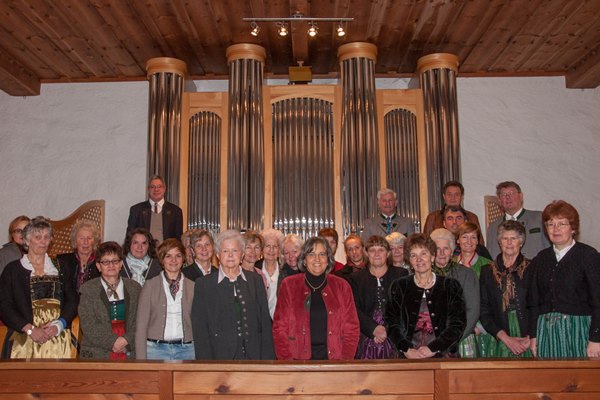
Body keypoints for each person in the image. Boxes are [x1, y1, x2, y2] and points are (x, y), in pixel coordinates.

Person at [529, 200, 600, 358]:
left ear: (573, 228)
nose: (556, 229)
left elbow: (598, 301)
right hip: (545, 331)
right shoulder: (541, 259)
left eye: (562, 223)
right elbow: (534, 302)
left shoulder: (588, 256)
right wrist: (533, 336)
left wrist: (596, 338)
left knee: (579, 380)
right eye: (550, 224)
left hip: (578, 330)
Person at [0, 217, 78, 358]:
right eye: (38, 237)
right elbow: (4, 305)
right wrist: (29, 329)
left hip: (57, 338)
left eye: (47, 237)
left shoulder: (60, 267)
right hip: (23, 339)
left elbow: (73, 301)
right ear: (27, 240)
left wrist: (58, 325)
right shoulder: (12, 270)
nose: (43, 241)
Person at [273, 236, 359, 360]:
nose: (317, 259)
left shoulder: (342, 286)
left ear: (328, 259)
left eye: (322, 254)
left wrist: (344, 362)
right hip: (297, 363)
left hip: (335, 362)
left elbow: (352, 328)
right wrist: (288, 362)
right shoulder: (289, 285)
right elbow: (279, 328)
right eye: (311, 254)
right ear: (303, 260)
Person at [192, 230, 274, 360]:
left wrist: (267, 359)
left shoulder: (255, 280)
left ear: (241, 254)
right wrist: (205, 364)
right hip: (219, 358)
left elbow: (264, 322)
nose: (230, 255)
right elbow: (200, 329)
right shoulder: (204, 284)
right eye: (225, 251)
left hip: (253, 355)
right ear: (218, 254)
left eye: (235, 251)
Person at [386, 233, 466, 358]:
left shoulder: (450, 286)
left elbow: (457, 324)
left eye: (423, 254)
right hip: (408, 357)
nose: (419, 259)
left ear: (432, 257)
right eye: (413, 255)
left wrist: (434, 348)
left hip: (443, 356)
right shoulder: (399, 286)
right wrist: (406, 349)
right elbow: (391, 323)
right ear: (409, 261)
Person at [78, 241, 142, 359]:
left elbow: (141, 322)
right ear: (98, 266)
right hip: (96, 352)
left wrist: (126, 341)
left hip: (130, 351)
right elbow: (88, 324)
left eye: (115, 261)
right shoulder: (88, 289)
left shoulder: (135, 288)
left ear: (121, 264)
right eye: (105, 262)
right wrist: (114, 342)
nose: (111, 265)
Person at [479, 220, 532, 358]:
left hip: (528, 339)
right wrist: (504, 338)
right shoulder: (487, 271)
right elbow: (483, 310)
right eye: (505, 238)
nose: (509, 243)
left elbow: (539, 305)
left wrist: (531, 337)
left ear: (521, 242)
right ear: (499, 242)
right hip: (498, 338)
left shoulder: (533, 268)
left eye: (513, 238)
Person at [135, 238, 194, 360]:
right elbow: (141, 325)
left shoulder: (193, 286)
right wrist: (141, 360)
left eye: (178, 255)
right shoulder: (150, 285)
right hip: (155, 350)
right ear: (162, 259)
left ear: (183, 258)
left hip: (187, 350)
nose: (173, 260)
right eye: (168, 256)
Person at [350, 236, 407, 359]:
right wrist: (373, 329)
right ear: (366, 253)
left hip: (394, 334)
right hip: (366, 334)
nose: (376, 254)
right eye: (372, 250)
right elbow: (354, 309)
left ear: (388, 253)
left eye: (381, 249)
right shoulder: (355, 278)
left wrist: (386, 329)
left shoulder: (401, 275)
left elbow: (402, 306)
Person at [430, 228, 480, 358]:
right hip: (430, 341)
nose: (441, 253)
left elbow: (473, 310)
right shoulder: (424, 275)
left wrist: (452, 338)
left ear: (452, 251)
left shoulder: (466, 274)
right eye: (437, 248)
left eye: (445, 249)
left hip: (460, 339)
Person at [487, 181, 548, 260]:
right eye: (503, 195)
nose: (508, 197)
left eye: (511, 193)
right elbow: (491, 255)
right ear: (499, 200)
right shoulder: (493, 227)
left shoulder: (539, 218)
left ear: (521, 196)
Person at [126, 175, 183, 244]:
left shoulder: (176, 211)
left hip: (166, 252)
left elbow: (178, 238)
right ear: (148, 189)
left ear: (164, 189)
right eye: (152, 187)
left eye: (159, 186)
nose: (156, 189)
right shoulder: (136, 210)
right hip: (144, 252)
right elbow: (130, 236)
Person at [57, 220, 101, 292]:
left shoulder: (101, 262)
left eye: (89, 238)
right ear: (75, 240)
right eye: (81, 238)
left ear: (95, 241)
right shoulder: (62, 261)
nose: (85, 242)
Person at [257, 228, 285, 318]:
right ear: (262, 249)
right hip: (259, 322)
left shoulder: (285, 271)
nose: (271, 250)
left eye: (275, 246)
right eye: (267, 246)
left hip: (280, 322)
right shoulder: (255, 270)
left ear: (279, 250)